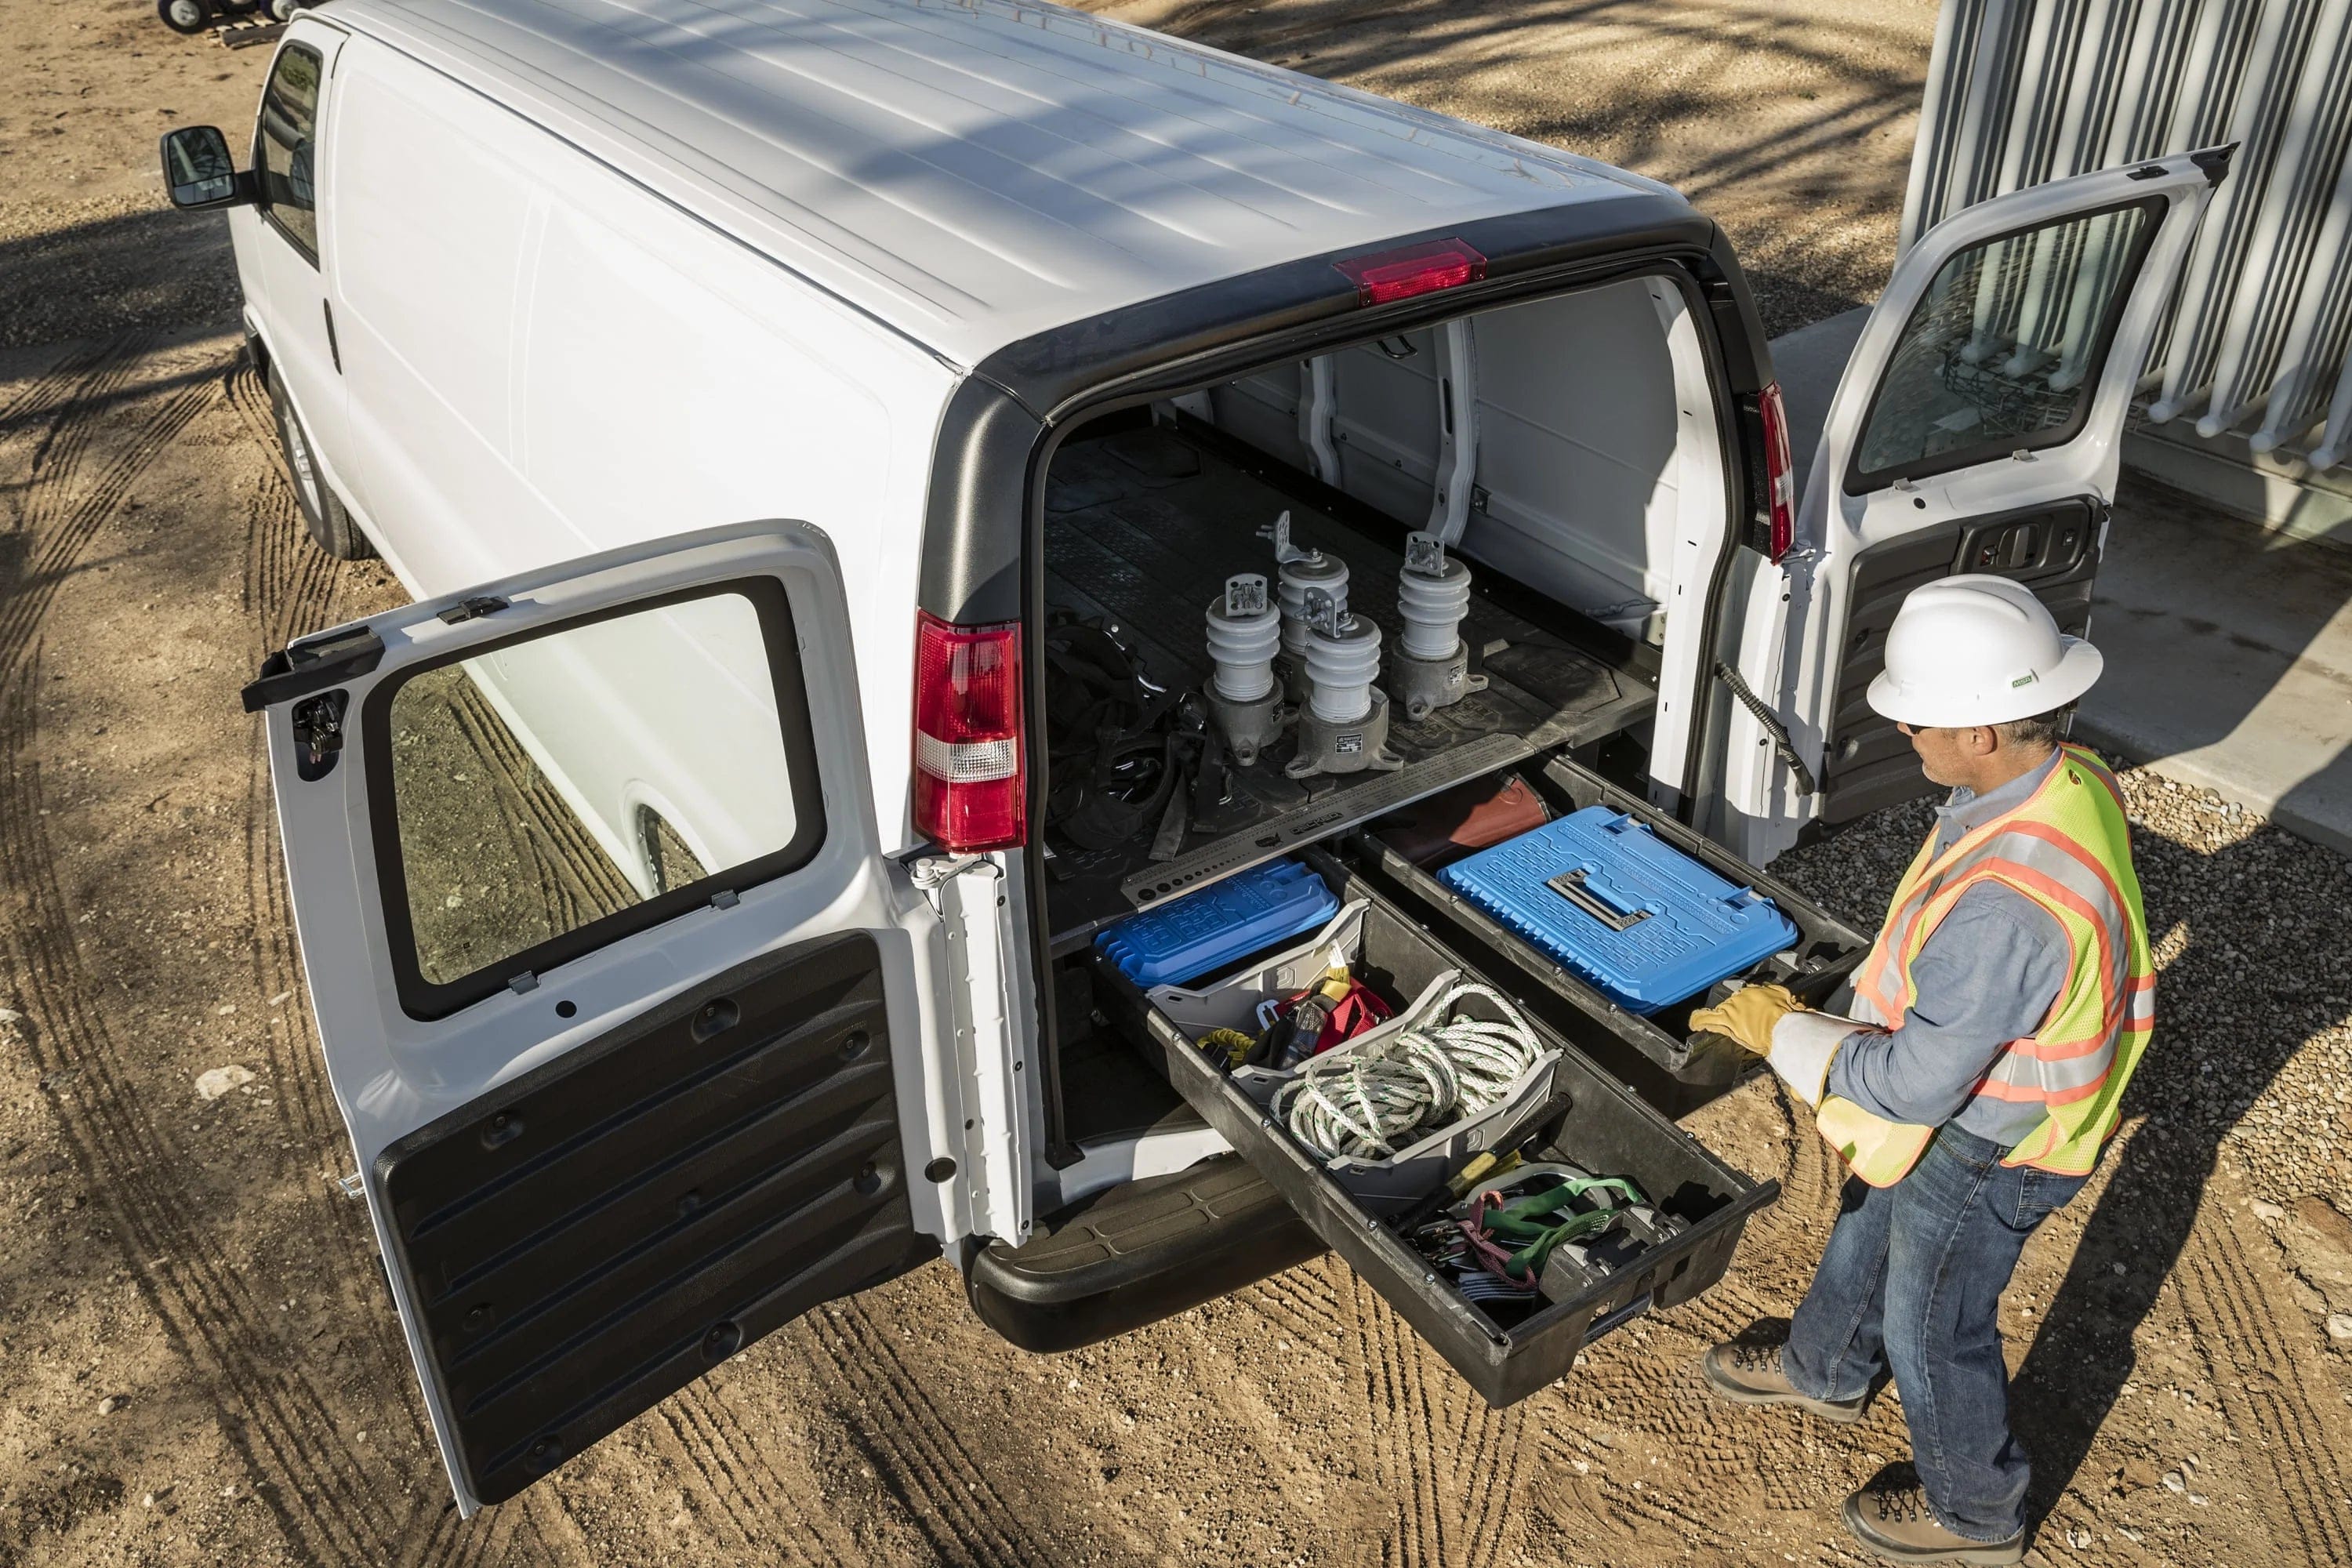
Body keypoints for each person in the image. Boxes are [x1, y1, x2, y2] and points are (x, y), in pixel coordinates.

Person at [1690, 575, 2154, 1566]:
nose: (1906, 734)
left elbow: (1909, 1086)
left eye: (1916, 721)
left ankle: (1976, 1512)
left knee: (1935, 1318)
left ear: (1982, 730)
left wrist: (1783, 1029)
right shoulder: (2066, 778)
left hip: (2003, 1135)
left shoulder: (2009, 906)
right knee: (1874, 1214)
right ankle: (1825, 1365)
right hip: (1981, 1095)